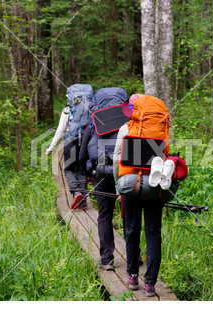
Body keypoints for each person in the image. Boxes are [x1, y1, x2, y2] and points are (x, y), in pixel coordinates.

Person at [113, 95, 171, 297]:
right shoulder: (161, 130)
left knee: (131, 230)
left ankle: (132, 276)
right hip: (155, 187)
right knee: (153, 233)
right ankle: (151, 283)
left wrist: (118, 186)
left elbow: (115, 160)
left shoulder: (125, 129)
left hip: (130, 185)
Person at [79, 87, 129, 271]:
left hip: (102, 172)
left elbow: (83, 154)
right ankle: (134, 256)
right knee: (129, 215)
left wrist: (87, 174)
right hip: (126, 172)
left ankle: (107, 259)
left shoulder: (94, 122)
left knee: (105, 215)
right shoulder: (130, 120)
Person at [46, 84, 93, 209]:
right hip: (86, 141)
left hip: (71, 140)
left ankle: (75, 191)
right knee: (82, 171)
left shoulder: (68, 108)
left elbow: (61, 130)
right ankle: (82, 203)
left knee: (69, 169)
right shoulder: (91, 107)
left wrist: (51, 147)